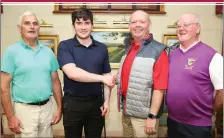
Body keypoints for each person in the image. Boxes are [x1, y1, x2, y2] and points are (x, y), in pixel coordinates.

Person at [1, 11, 62, 137]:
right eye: (27, 23)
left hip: (47, 108)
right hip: (24, 111)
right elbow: (4, 88)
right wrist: (11, 117)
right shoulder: (11, 52)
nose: (32, 27)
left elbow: (55, 81)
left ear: (39, 28)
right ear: (20, 28)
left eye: (35, 23)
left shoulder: (48, 52)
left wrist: (59, 108)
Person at [57, 8, 114, 138]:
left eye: (87, 23)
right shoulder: (65, 46)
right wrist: (102, 78)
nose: (83, 27)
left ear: (92, 25)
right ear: (73, 25)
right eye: (79, 23)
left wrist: (106, 102)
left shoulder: (102, 48)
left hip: (96, 105)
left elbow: (107, 76)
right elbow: (72, 73)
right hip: (72, 104)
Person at [166, 14, 223, 138]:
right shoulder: (172, 54)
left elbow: (221, 91)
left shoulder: (212, 56)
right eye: (178, 25)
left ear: (197, 28)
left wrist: (211, 111)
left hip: (198, 126)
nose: (181, 28)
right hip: (172, 121)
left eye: (186, 25)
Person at [116, 10, 169, 138]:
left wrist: (152, 116)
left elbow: (160, 88)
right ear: (130, 26)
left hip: (144, 117)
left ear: (149, 24)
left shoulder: (158, 51)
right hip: (127, 112)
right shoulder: (129, 49)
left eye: (142, 21)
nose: (137, 25)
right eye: (134, 22)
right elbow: (131, 75)